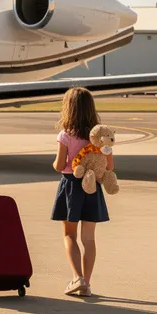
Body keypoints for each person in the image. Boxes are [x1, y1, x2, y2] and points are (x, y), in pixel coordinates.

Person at [51, 87, 111, 297]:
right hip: (93, 187)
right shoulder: (100, 137)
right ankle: (87, 284)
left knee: (69, 234)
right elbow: (109, 166)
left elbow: (60, 165)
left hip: (71, 185)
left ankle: (77, 278)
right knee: (89, 239)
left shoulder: (65, 135)